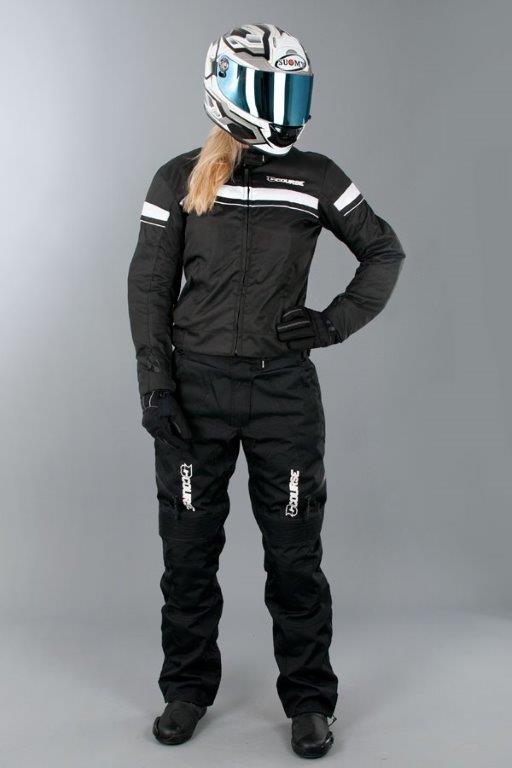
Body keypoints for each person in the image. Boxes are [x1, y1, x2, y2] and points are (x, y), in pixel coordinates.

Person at [128, 22, 405, 759]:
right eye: (273, 91)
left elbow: (383, 251)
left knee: (294, 557)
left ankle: (310, 702)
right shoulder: (177, 179)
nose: (288, 108)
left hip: (282, 396)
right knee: (189, 555)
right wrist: (156, 385)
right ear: (229, 90)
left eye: (294, 92)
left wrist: (331, 324)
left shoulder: (317, 177)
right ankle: (186, 690)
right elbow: (150, 285)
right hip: (194, 394)